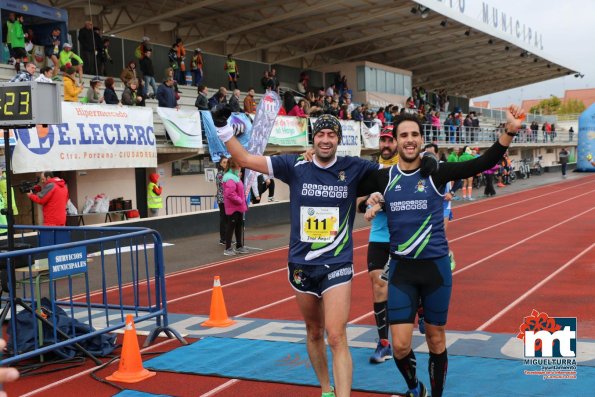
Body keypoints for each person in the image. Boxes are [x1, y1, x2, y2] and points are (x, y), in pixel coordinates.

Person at [359, 106, 525, 397]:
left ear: (421, 139)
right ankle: (415, 388)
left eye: (414, 134)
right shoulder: (384, 178)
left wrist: (508, 131)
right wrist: (367, 201)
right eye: (403, 135)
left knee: (436, 339)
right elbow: (349, 184)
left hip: (435, 269)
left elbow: (481, 163)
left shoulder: (436, 172)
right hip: (401, 271)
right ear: (395, 142)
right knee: (399, 345)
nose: (409, 140)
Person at [214, 110, 381, 397]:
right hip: (301, 264)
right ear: (313, 138)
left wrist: (382, 194)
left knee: (337, 335)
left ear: (339, 139)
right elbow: (243, 160)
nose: (326, 140)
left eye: (331, 135)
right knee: (314, 331)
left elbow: (393, 177)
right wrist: (221, 128)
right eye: (321, 134)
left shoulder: (354, 167)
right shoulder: (295, 165)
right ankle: (326, 389)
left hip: (337, 262)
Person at [357, 127, 398, 364]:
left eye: (389, 140)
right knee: (378, 281)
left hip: (404, 237)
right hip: (379, 237)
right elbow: (360, 201)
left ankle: (422, 307)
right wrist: (367, 205)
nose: (385, 143)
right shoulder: (372, 170)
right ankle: (384, 343)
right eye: (382, 139)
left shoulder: (403, 168)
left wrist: (380, 204)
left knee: (405, 285)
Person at [222, 157, 249, 255]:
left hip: (238, 206)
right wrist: (240, 200)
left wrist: (241, 201)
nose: (240, 168)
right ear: (235, 166)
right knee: (231, 227)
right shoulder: (229, 177)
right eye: (239, 166)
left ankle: (239, 246)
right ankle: (228, 248)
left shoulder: (234, 176)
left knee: (238, 227)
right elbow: (230, 193)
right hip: (234, 206)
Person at [216, 157, 229, 245]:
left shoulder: (227, 173)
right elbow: (222, 186)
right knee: (223, 219)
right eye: (224, 162)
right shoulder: (220, 174)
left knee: (228, 219)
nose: (225, 164)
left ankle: (227, 237)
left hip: (228, 199)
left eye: (227, 162)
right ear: (220, 164)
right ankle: (223, 239)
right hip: (222, 199)